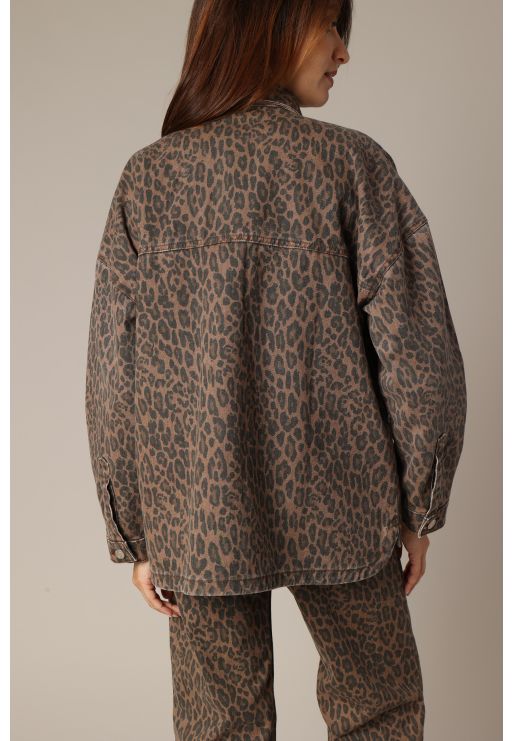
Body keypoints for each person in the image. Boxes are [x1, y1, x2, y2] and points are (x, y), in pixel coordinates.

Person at [84, 0, 467, 737]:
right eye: (333, 28)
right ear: (272, 23)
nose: (343, 52)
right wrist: (418, 506)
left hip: (198, 510)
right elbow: (418, 354)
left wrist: (138, 531)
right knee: (379, 709)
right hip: (347, 500)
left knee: (220, 726)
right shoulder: (350, 164)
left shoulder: (149, 180)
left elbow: (113, 375)